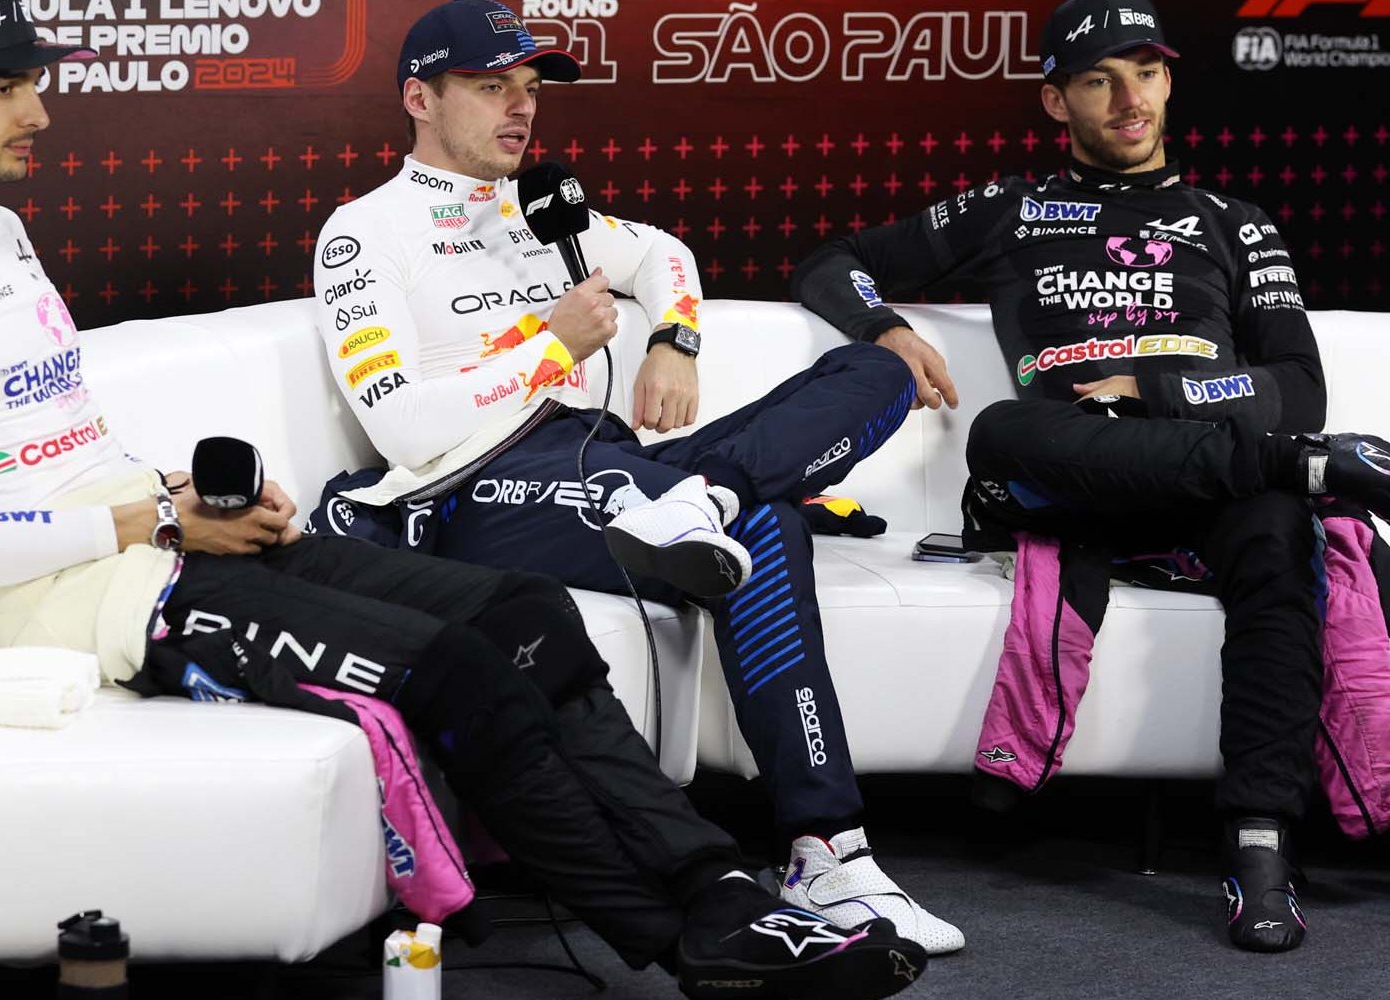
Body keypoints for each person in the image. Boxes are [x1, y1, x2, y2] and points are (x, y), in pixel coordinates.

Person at [0, 2, 929, 997]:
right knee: (463, 675)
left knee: (524, 614)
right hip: (98, 602)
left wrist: (183, 489)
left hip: (162, 535)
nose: (40, 112)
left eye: (34, 84)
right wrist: (153, 519)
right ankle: (689, 946)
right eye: (8, 88)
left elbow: (50, 447)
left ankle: (727, 886)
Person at [306, 0, 963, 955]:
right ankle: (829, 842)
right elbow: (402, 428)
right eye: (493, 88)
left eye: (529, 91)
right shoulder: (363, 233)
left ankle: (715, 503)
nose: (520, 110)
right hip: (473, 487)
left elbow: (666, 255)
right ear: (419, 97)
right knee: (769, 529)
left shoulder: (543, 210)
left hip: (616, 463)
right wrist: (547, 343)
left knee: (879, 369)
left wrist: (675, 339)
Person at [792, 0, 1390, 954]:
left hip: (1211, 485)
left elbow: (1299, 386)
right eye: (1099, 78)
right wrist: (889, 331)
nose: (1130, 97)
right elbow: (830, 261)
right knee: (1005, 429)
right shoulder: (1013, 206)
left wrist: (1152, 385)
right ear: (1057, 100)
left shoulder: (1234, 222)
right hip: (1073, 477)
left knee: (1277, 532)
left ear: (1171, 81)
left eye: (1147, 71)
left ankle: (1259, 842)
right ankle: (1314, 473)